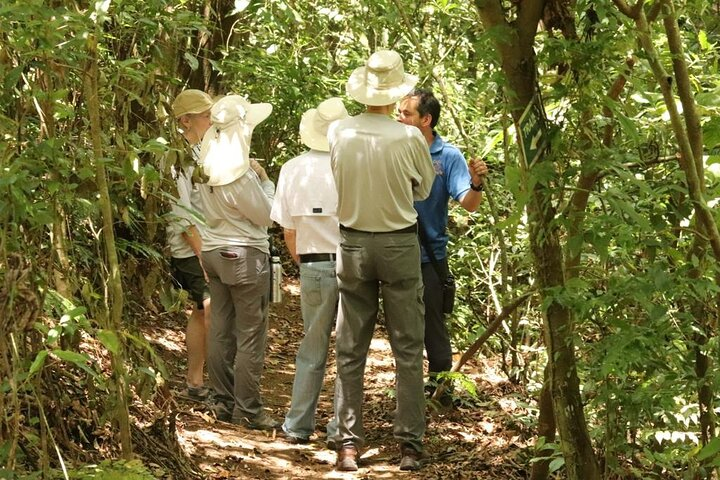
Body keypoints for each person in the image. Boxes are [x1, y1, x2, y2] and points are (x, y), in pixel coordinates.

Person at [328, 50, 436, 472]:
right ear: (395, 94)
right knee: (407, 346)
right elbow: (424, 190)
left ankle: (347, 444)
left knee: (350, 347)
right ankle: (409, 444)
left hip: (353, 243)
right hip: (396, 244)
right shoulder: (408, 137)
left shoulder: (340, 132)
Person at [397, 89, 488, 405]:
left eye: (406, 113)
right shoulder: (392, 148)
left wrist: (477, 183)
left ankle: (439, 391)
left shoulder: (447, 156)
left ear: (426, 119)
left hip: (429, 256)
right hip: (392, 252)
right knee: (400, 326)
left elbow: (469, 203)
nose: (399, 118)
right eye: (398, 112)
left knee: (433, 326)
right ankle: (407, 392)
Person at [197, 94, 280, 430]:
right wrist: (266, 182)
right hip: (244, 254)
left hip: (214, 251)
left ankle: (221, 401)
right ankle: (247, 409)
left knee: (220, 327)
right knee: (250, 334)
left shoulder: (205, 167)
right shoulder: (241, 175)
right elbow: (267, 216)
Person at [270, 97, 350, 444]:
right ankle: (340, 430)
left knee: (312, 348)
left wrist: (301, 262)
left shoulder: (292, 167)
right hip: (350, 261)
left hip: (314, 262)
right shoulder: (350, 163)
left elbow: (288, 229)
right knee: (348, 350)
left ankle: (298, 425)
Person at [168, 89, 214, 402]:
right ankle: (202, 383)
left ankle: (197, 381)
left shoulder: (198, 153)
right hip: (190, 249)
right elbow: (183, 214)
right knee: (209, 310)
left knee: (203, 312)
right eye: (206, 116)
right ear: (186, 120)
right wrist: (204, 257)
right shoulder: (174, 158)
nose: (212, 121)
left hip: (206, 243)